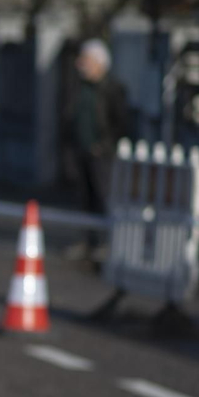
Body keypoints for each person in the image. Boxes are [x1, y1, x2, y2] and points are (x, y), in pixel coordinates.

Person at [57, 38, 133, 258]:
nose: (80, 64)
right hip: (80, 150)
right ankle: (88, 241)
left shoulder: (113, 89)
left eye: (86, 60)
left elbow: (121, 123)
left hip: (102, 155)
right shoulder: (78, 87)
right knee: (84, 198)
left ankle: (105, 243)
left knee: (103, 197)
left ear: (99, 63)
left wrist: (104, 145)